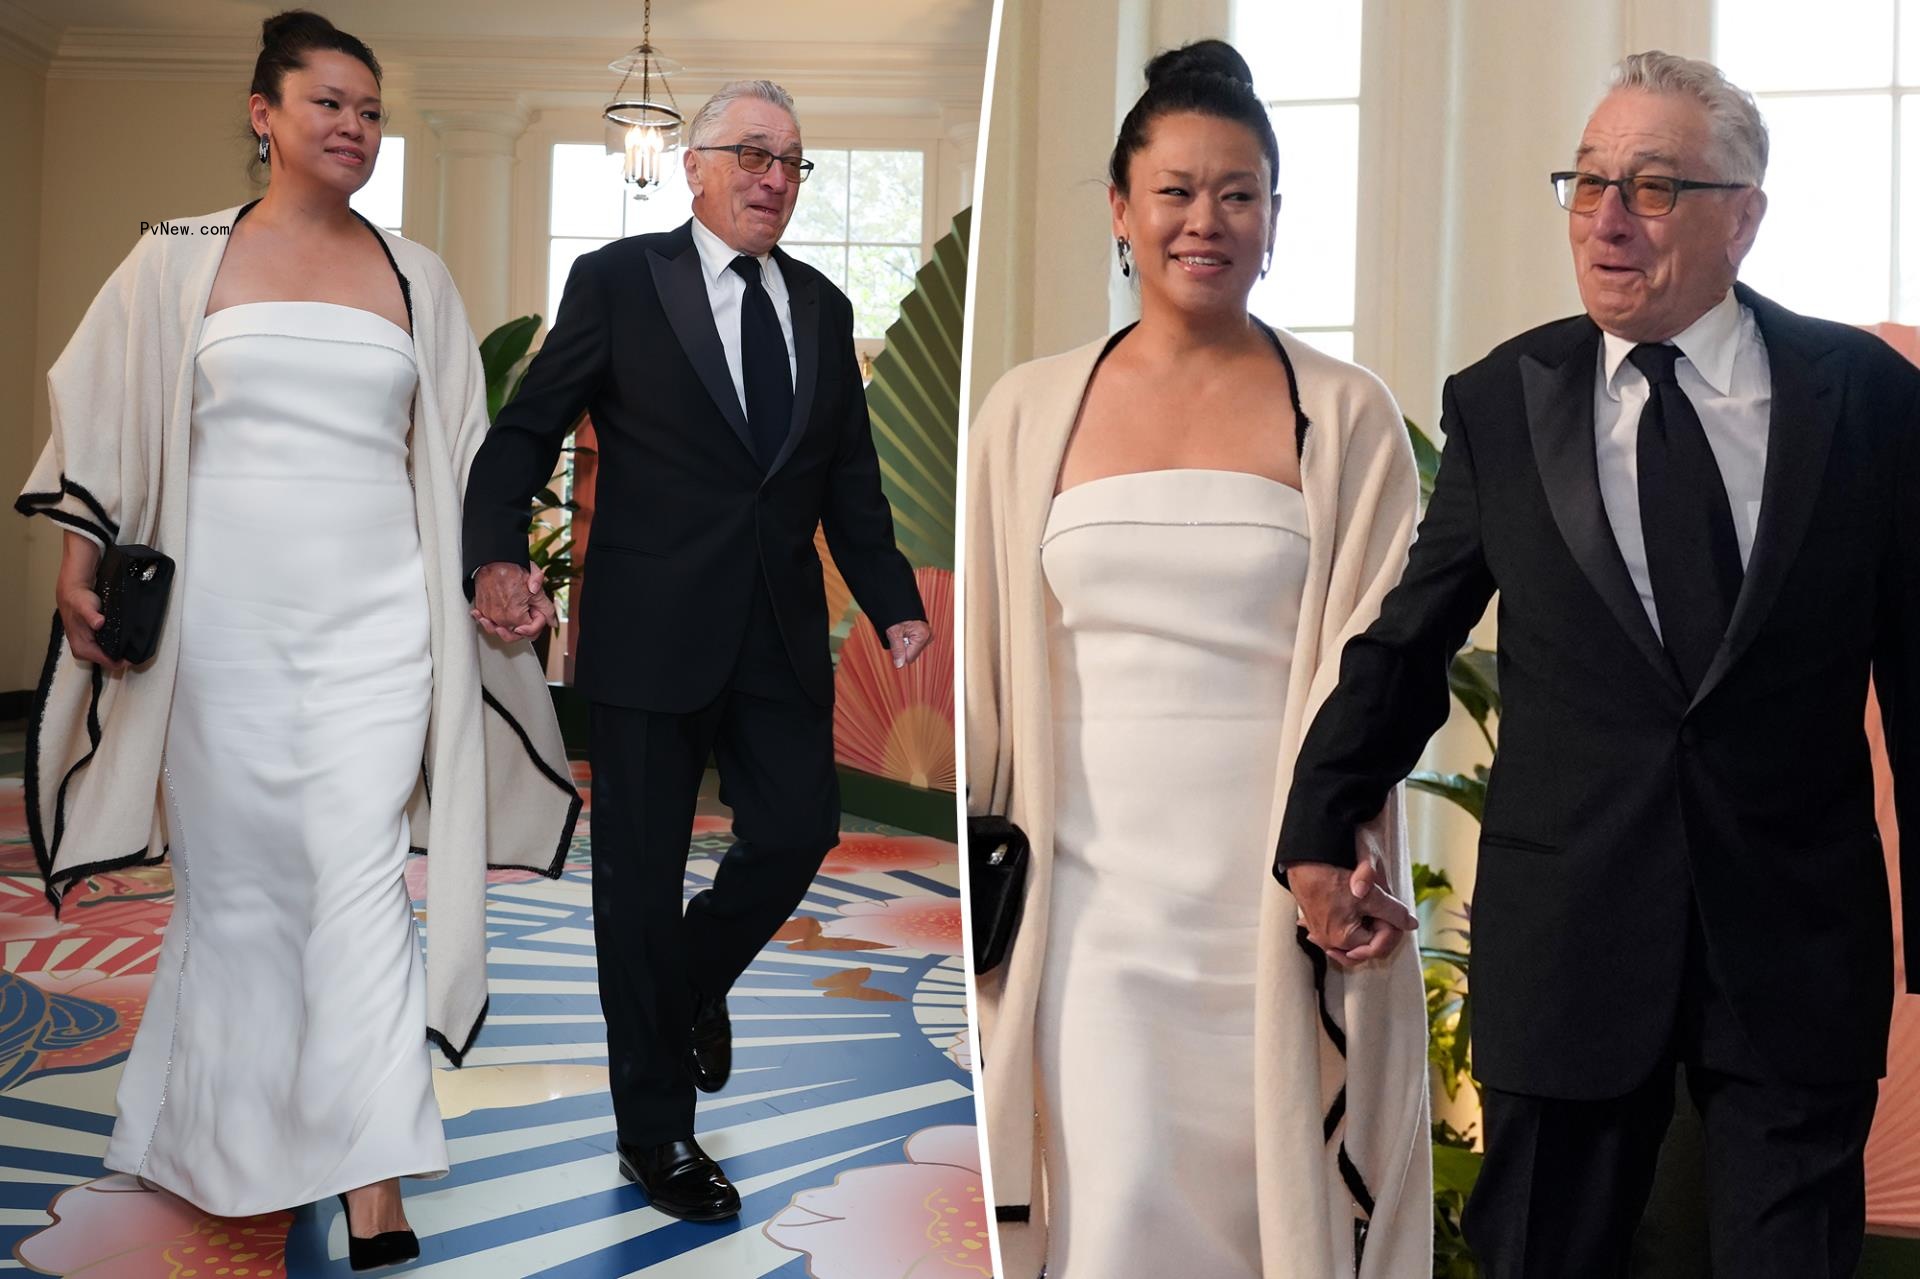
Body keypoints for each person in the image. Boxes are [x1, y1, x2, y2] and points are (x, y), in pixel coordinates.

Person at [1278, 50, 1920, 1279]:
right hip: (1571, 933)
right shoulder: (1505, 399)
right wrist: (1319, 824)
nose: (1608, 219)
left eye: (1654, 187)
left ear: (1746, 215)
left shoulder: (1871, 402)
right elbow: (1412, 636)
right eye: (1586, 182)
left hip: (1795, 942)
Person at [16, 10, 578, 1270]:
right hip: (224, 631)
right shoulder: (175, 256)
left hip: (381, 625)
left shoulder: (416, 276)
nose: (355, 129)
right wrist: (76, 561)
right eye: (329, 103)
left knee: (363, 880)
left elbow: (462, 453)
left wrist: (493, 579)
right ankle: (219, 1134)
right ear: (263, 114)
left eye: (371, 112)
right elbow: (100, 409)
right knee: (243, 889)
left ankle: (374, 1178)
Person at [965, 40, 1432, 1279]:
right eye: (1174, 191)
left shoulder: (1346, 414)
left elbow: (1386, 665)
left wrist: (1354, 854)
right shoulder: (1025, 412)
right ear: (1122, 210)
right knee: (1112, 1208)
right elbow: (986, 677)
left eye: (1239, 193)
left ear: (1275, 220)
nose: (1205, 221)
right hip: (1091, 905)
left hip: (1274, 900)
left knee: (1272, 1216)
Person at [462, 79, 931, 1221]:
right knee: (632, 884)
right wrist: (491, 555)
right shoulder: (620, 283)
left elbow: (848, 479)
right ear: (698, 166)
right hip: (647, 635)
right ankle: (657, 1135)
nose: (777, 178)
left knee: (797, 832)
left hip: (778, 633)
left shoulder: (820, 304)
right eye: (755, 155)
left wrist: (892, 599)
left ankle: (688, 982)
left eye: (794, 162)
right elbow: (528, 426)